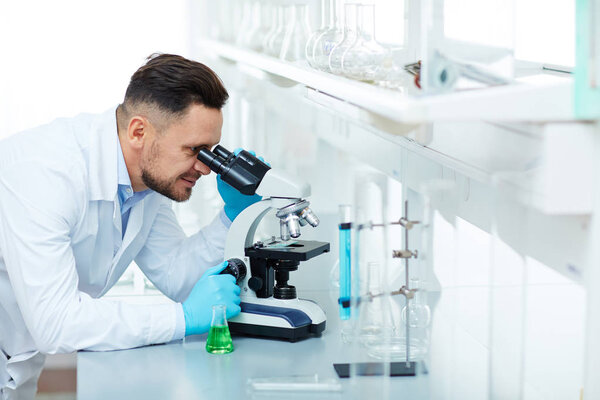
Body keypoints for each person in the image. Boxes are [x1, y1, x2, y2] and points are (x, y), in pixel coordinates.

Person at [0, 53, 261, 399]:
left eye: (211, 151)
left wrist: (233, 215)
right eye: (195, 150)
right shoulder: (47, 174)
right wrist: (181, 319)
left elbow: (176, 275)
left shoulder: (145, 183)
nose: (205, 168)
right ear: (139, 131)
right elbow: (57, 323)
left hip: (18, 362)